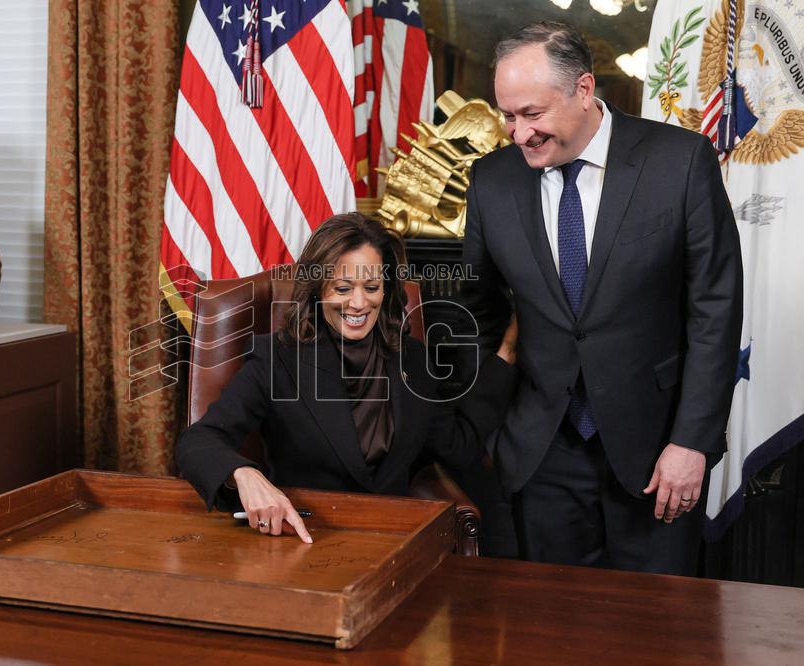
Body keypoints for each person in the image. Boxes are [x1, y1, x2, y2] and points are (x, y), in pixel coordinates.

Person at [462, 22, 743, 574]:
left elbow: (715, 309)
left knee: (658, 621)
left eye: (532, 113)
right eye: (508, 116)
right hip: (541, 454)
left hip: (658, 451)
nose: (518, 134)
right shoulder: (491, 181)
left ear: (584, 89)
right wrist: (493, 430)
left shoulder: (679, 160)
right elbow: (477, 311)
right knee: (552, 621)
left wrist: (692, 441)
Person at [177, 213, 518, 543]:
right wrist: (244, 473)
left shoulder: (412, 358)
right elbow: (198, 441)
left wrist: (506, 354)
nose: (358, 303)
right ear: (318, 290)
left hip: (393, 542)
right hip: (303, 539)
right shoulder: (277, 358)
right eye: (342, 288)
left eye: (371, 287)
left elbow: (456, 446)